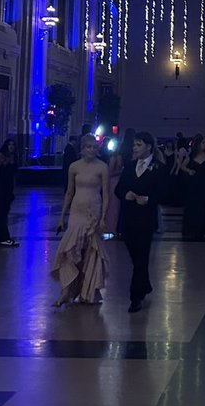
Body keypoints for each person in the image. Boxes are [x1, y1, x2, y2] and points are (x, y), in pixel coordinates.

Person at [51, 135, 109, 307]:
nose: (92, 150)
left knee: (91, 250)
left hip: (94, 211)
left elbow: (105, 194)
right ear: (82, 148)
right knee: (70, 248)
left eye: (94, 147)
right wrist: (62, 216)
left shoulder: (102, 167)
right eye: (88, 147)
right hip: (77, 210)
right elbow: (69, 192)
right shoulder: (74, 167)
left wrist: (104, 216)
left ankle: (88, 291)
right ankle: (66, 292)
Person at [116, 132, 165, 311]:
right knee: (135, 256)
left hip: (145, 220)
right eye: (134, 145)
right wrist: (125, 194)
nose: (135, 148)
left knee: (141, 257)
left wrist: (149, 200)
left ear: (148, 147)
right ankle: (145, 285)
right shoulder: (129, 166)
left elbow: (165, 193)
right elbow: (119, 188)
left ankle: (135, 297)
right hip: (129, 218)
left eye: (138, 145)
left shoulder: (158, 168)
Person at [180, 135, 205, 240]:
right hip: (194, 184)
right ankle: (192, 228)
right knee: (193, 206)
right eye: (202, 143)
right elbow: (182, 166)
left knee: (204, 206)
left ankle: (204, 228)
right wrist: (189, 171)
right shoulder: (191, 156)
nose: (204, 145)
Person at [0, 138, 19, 247]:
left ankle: (1, 235)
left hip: (8, 188)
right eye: (9, 145)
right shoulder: (1, 156)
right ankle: (3, 236)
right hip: (0, 188)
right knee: (1, 213)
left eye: (13, 144)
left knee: (4, 212)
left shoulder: (14, 158)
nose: (11, 147)